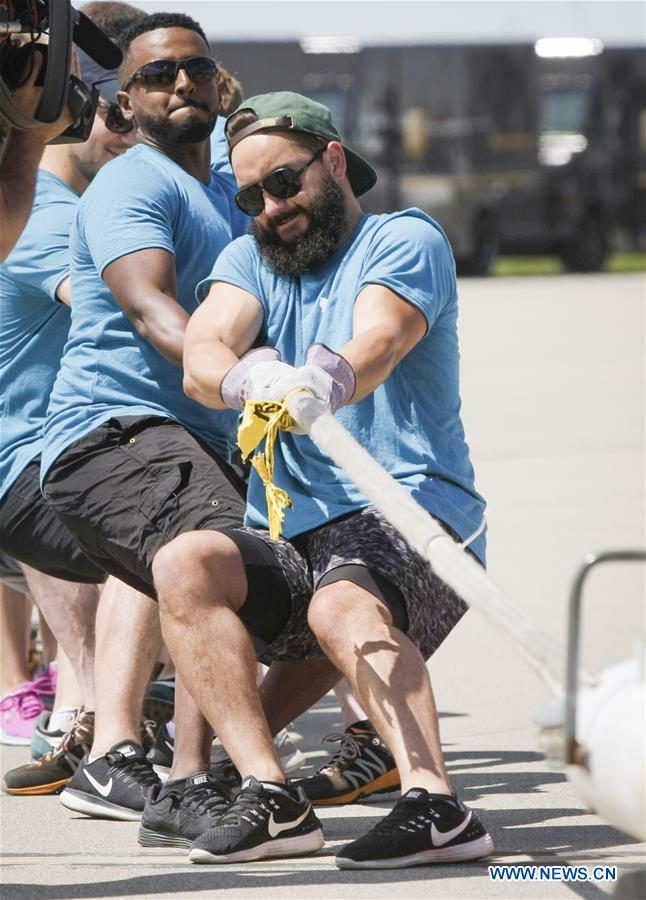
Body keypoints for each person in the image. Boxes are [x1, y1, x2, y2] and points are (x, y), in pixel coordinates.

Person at [39, 13, 337, 842]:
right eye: (156, 75)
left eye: (196, 69)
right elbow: (151, 307)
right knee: (211, 555)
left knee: (322, 587)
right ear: (123, 103)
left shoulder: (228, 194)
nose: (180, 84)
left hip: (202, 447)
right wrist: (241, 375)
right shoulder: (134, 184)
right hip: (114, 435)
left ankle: (185, 782)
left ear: (218, 83)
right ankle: (229, 781)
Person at [176, 91, 494, 869]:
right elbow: (202, 352)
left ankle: (437, 806)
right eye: (250, 196)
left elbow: (382, 335)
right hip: (295, 529)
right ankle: (271, 797)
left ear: (335, 161)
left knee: (340, 604)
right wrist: (246, 380)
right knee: (186, 563)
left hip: (409, 508)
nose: (271, 207)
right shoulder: (248, 260)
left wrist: (326, 378)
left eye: (285, 182)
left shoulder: (403, 238)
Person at [0, 1, 162, 801]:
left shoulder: (44, 191)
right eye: (118, 111)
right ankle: (106, 725)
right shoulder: (54, 213)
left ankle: (83, 713)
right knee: (168, 519)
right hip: (26, 477)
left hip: (36, 466)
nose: (133, 133)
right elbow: (126, 313)